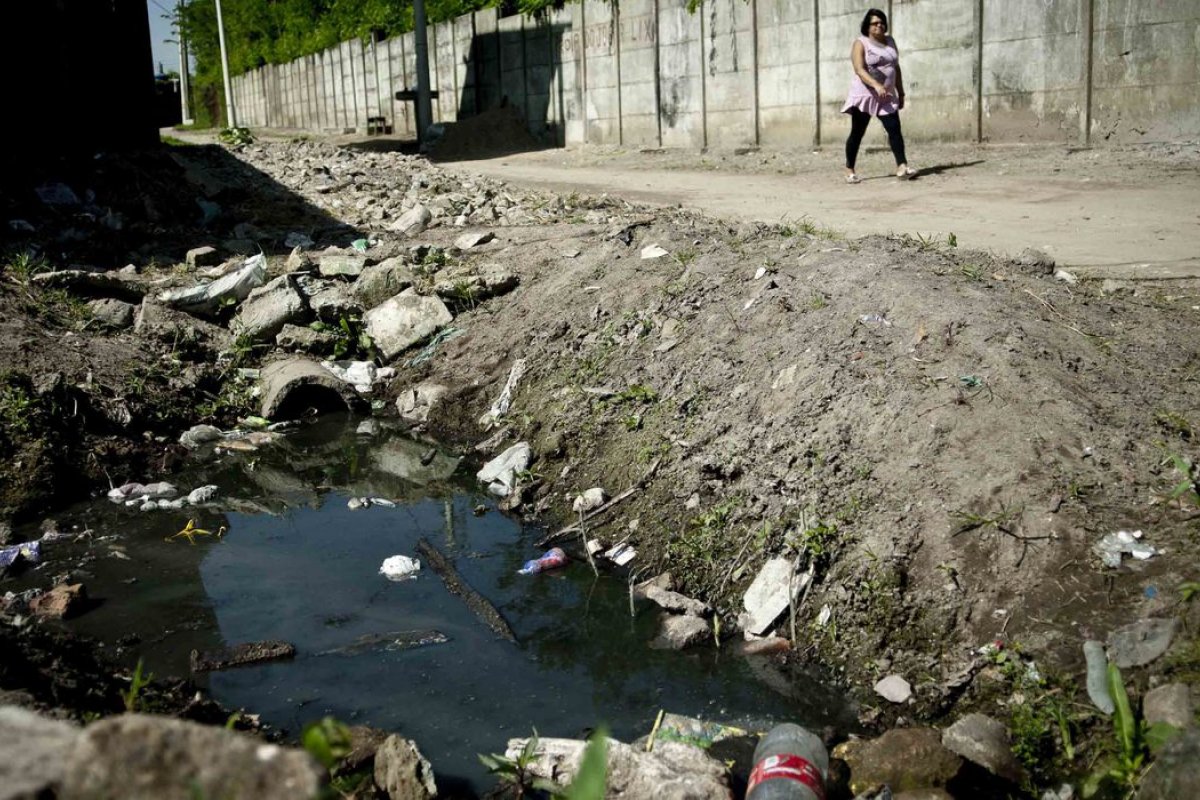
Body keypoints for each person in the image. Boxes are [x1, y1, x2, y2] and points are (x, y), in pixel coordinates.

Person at [841, 8, 916, 183]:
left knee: (894, 129)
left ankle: (902, 167)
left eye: (882, 22)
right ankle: (849, 169)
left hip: (886, 95)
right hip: (865, 94)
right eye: (875, 23)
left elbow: (896, 67)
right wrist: (876, 84)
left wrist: (901, 92)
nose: (879, 25)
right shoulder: (861, 43)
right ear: (867, 26)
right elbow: (859, 69)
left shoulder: (890, 41)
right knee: (858, 133)